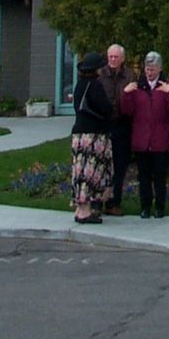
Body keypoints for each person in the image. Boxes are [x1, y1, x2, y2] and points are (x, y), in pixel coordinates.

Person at [120, 50, 169, 219]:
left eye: (153, 68)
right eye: (147, 68)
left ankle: (160, 207)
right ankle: (145, 207)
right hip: (141, 139)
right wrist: (126, 94)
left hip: (159, 139)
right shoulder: (137, 86)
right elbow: (127, 110)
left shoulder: (166, 86)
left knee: (160, 176)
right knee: (144, 177)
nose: (149, 72)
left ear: (159, 68)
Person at [70, 51, 113, 225]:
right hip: (93, 135)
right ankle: (85, 211)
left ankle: (80, 208)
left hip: (79, 133)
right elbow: (105, 108)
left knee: (79, 171)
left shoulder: (80, 85)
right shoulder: (95, 86)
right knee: (90, 172)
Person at [98, 43, 136, 215]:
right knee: (101, 166)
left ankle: (114, 202)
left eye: (116, 57)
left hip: (123, 125)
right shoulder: (100, 75)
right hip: (104, 126)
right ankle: (98, 202)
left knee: (120, 166)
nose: (113, 60)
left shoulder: (130, 75)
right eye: (110, 56)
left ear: (122, 58)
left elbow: (133, 100)